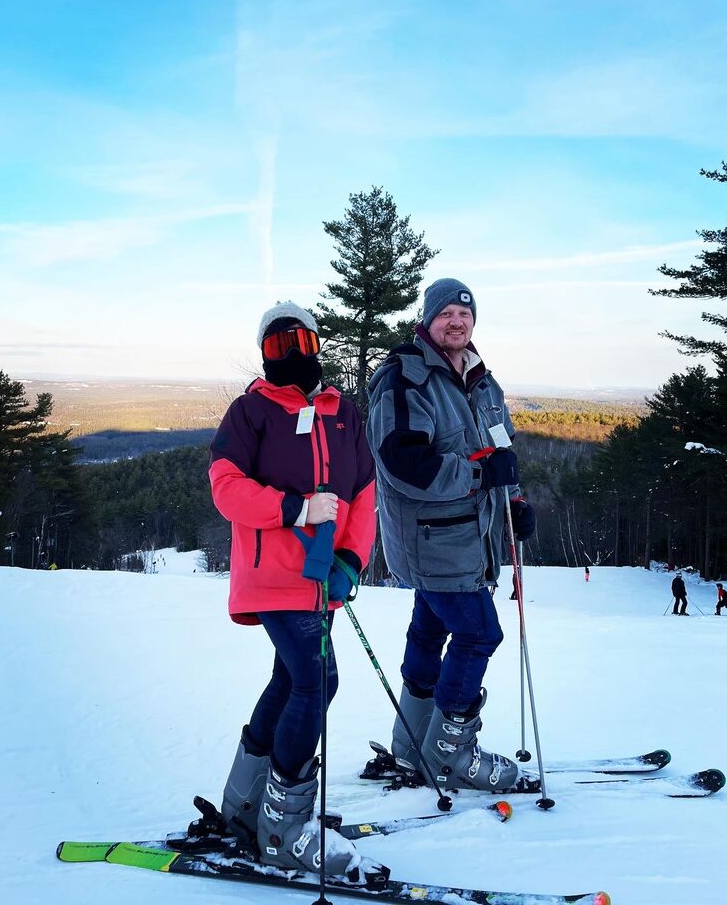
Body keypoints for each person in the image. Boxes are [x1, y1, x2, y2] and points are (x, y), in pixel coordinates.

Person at [208, 302, 384, 882]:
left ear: (317, 343)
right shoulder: (250, 411)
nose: (295, 354)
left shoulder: (342, 412)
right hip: (272, 574)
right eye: (280, 345)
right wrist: (294, 508)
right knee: (317, 680)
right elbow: (227, 488)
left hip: (320, 575)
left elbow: (362, 492)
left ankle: (246, 806)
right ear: (264, 353)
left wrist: (352, 560)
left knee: (291, 679)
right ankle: (283, 828)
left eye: (303, 341)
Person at [366, 278, 536, 791]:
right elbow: (403, 464)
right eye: (446, 315)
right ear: (428, 319)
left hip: (469, 537)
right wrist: (482, 476)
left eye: (465, 315)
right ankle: (450, 753)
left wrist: (515, 499)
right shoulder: (405, 378)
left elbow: (499, 450)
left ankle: (412, 743)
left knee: (430, 629)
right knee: (480, 633)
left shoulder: (483, 381)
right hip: (429, 539)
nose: (456, 322)